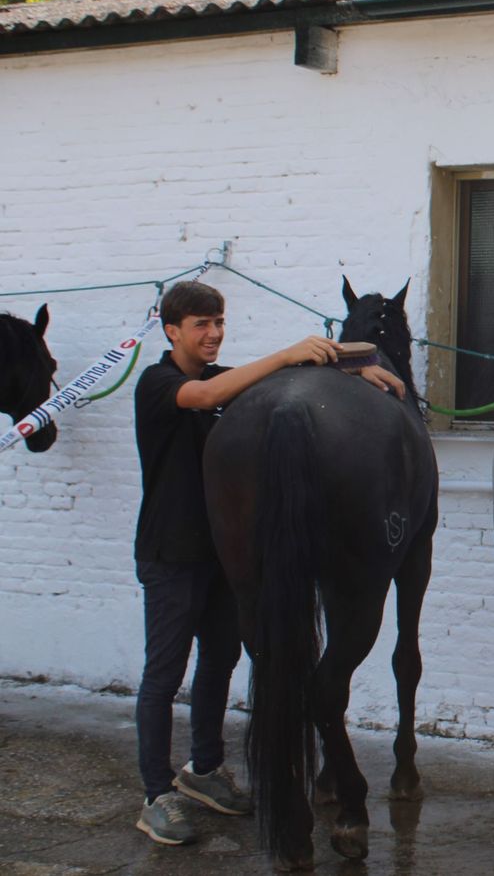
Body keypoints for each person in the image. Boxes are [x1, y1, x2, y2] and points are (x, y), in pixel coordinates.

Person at [132, 279, 405, 846]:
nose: (214, 334)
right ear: (171, 330)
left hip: (223, 554)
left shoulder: (217, 377)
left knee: (220, 660)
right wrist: (286, 353)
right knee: (164, 674)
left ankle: (203, 770)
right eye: (202, 325)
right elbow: (210, 396)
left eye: (220, 322)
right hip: (172, 554)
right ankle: (156, 793)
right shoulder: (158, 384)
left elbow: (260, 384)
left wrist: (348, 374)